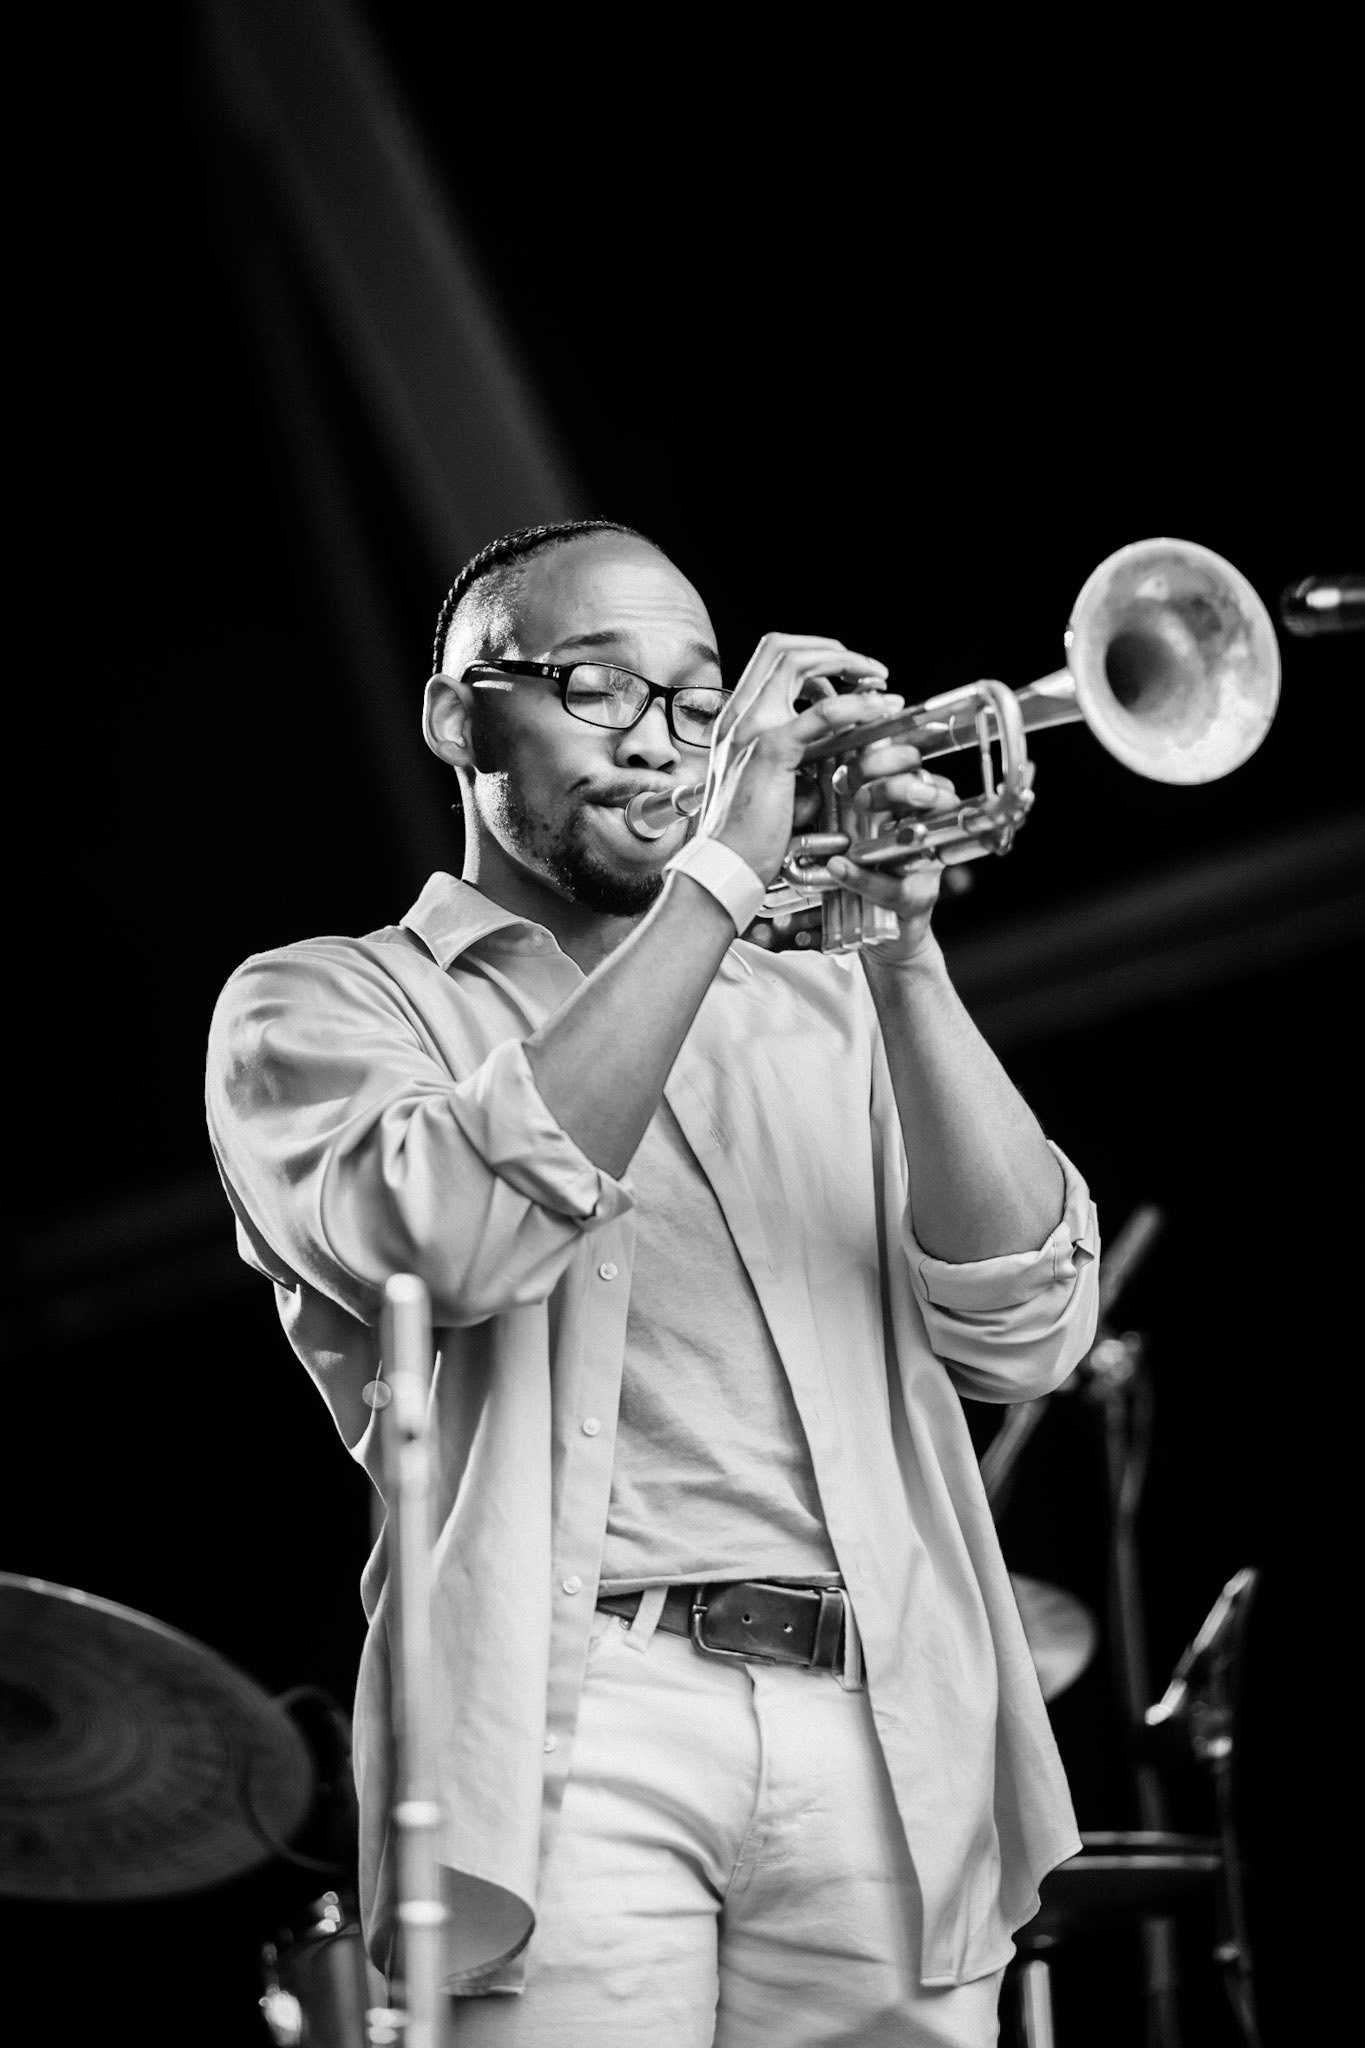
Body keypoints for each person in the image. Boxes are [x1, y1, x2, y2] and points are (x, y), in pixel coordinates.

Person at [206, 517, 1099, 2046]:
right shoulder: (322, 1002)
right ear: (456, 713)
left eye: (697, 705)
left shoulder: (819, 1007)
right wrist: (717, 874)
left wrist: (899, 960)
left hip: (889, 1720)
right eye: (597, 690)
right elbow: (456, 1243)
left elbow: (1027, 1325)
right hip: (575, 1726)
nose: (665, 743)